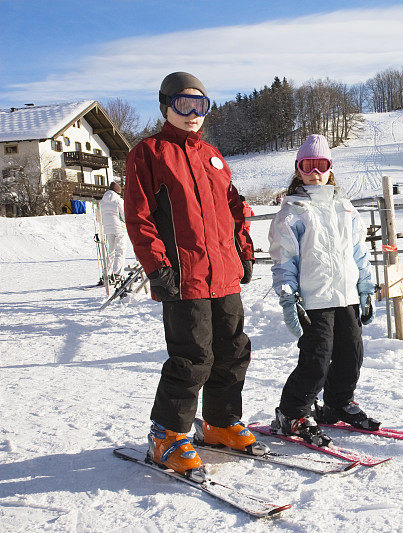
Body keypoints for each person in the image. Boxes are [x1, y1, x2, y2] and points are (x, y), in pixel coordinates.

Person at [125, 72, 257, 474]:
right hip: (183, 277)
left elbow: (236, 208)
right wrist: (157, 265)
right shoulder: (149, 152)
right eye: (184, 105)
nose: (193, 113)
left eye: (201, 105)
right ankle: (167, 433)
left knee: (233, 351)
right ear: (166, 105)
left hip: (224, 275)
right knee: (192, 357)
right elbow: (139, 215)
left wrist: (243, 251)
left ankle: (219, 423)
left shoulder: (213, 156)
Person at [268, 134, 379, 447]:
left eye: (322, 165)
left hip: (345, 295)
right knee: (316, 360)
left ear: (331, 168)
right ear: (298, 169)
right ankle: (291, 413)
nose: (315, 172)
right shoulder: (293, 213)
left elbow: (358, 251)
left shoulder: (344, 207)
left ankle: (337, 403)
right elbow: (284, 260)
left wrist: (365, 285)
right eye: (308, 165)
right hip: (314, 299)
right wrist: (289, 298)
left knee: (352, 354)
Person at [100, 181, 126, 283]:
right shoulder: (118, 200)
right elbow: (124, 215)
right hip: (119, 228)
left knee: (110, 252)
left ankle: (107, 273)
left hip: (107, 228)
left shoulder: (103, 201)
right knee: (120, 250)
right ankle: (117, 273)